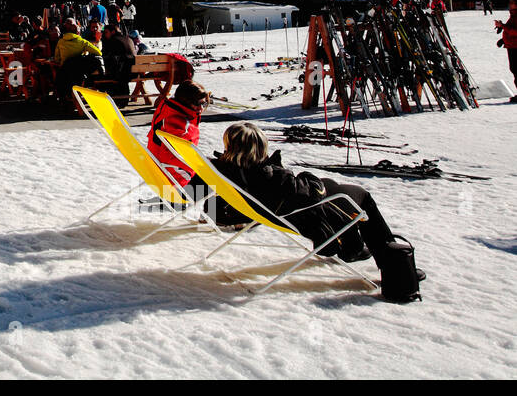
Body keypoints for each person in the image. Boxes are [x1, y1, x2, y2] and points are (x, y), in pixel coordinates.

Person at [211, 122, 425, 292]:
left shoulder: (223, 168)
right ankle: (393, 266)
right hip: (299, 215)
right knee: (359, 197)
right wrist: (301, 175)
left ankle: (353, 246)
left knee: (336, 188)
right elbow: (311, 193)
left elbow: (208, 203)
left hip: (273, 209)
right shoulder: (270, 176)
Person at [146, 80, 209, 186]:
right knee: (226, 177)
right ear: (185, 101)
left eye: (204, 103)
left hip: (156, 169)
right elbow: (180, 157)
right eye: (197, 104)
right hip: (173, 180)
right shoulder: (180, 125)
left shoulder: (167, 109)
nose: (201, 108)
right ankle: (177, 202)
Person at [53, 18, 103, 102]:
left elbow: (57, 59)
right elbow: (98, 53)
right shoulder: (82, 42)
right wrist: (85, 52)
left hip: (65, 72)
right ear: (78, 33)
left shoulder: (61, 42)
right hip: (79, 73)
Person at [496, 0, 517, 102]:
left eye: (512, 2)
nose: (510, 4)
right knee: (514, 69)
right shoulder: (513, 15)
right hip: (512, 46)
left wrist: (503, 26)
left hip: (515, 46)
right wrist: (503, 40)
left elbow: (515, 31)